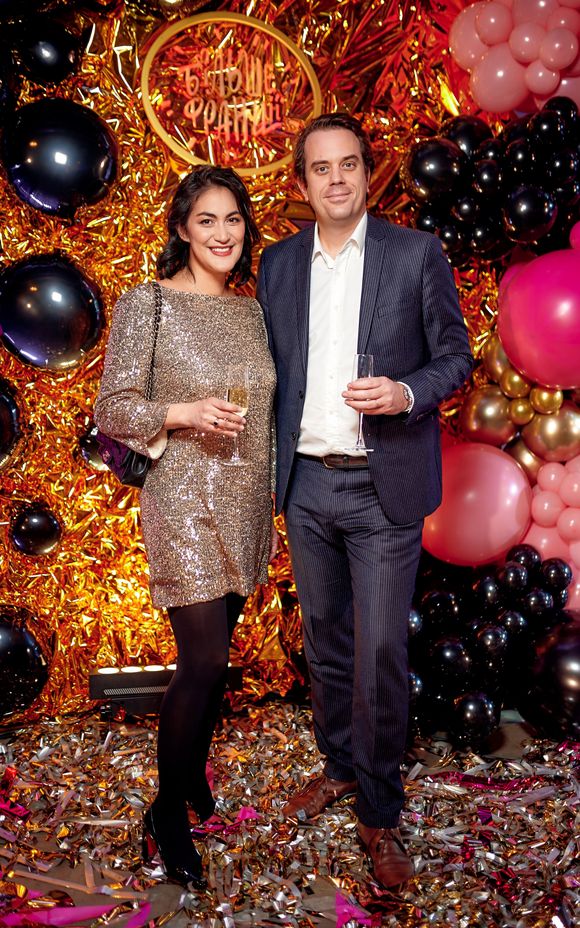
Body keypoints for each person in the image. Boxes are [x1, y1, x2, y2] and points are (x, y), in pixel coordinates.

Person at [257, 113, 473, 889]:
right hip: (306, 483)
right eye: (321, 168)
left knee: (381, 650)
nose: (336, 179)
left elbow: (457, 356)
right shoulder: (278, 264)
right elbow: (267, 375)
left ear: (367, 173)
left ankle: (380, 813)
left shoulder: (415, 254)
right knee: (326, 642)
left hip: (384, 485)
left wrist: (406, 393)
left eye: (348, 164)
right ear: (303, 182)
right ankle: (341, 766)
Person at [94, 165, 276, 888]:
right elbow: (113, 408)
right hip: (183, 500)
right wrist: (181, 412)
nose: (222, 233)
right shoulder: (149, 303)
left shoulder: (252, 311)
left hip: (245, 501)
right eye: (207, 220)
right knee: (201, 660)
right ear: (182, 229)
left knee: (217, 662)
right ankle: (167, 812)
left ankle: (192, 773)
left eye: (233, 219)